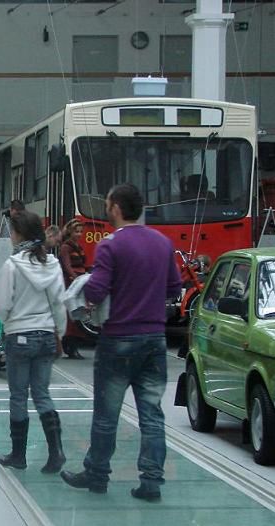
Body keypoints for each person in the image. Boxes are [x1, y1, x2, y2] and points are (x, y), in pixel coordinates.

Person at [60, 183, 181, 501]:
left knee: (107, 413)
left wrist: (86, 299)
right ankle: (152, 482)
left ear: (115, 208)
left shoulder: (110, 246)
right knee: (152, 414)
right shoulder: (162, 242)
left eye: (107, 205)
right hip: (154, 339)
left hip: (118, 339)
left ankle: (97, 474)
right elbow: (173, 288)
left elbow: (97, 290)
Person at [0, 211, 67, 473]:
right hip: (47, 336)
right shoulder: (53, 264)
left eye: (12, 231)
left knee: (18, 396)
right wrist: (59, 331)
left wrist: (10, 321)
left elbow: (1, 305)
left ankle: (18, 455)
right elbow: (59, 303)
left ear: (20, 234)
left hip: (20, 337)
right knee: (42, 394)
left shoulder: (13, 265)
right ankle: (56, 452)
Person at [59, 218, 87, 359]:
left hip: (78, 283)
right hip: (70, 284)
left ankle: (73, 345)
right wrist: (76, 278)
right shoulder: (66, 247)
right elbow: (67, 265)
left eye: (81, 231)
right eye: (76, 231)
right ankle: (70, 346)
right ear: (70, 232)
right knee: (71, 316)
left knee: (77, 314)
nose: (79, 234)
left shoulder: (78, 246)